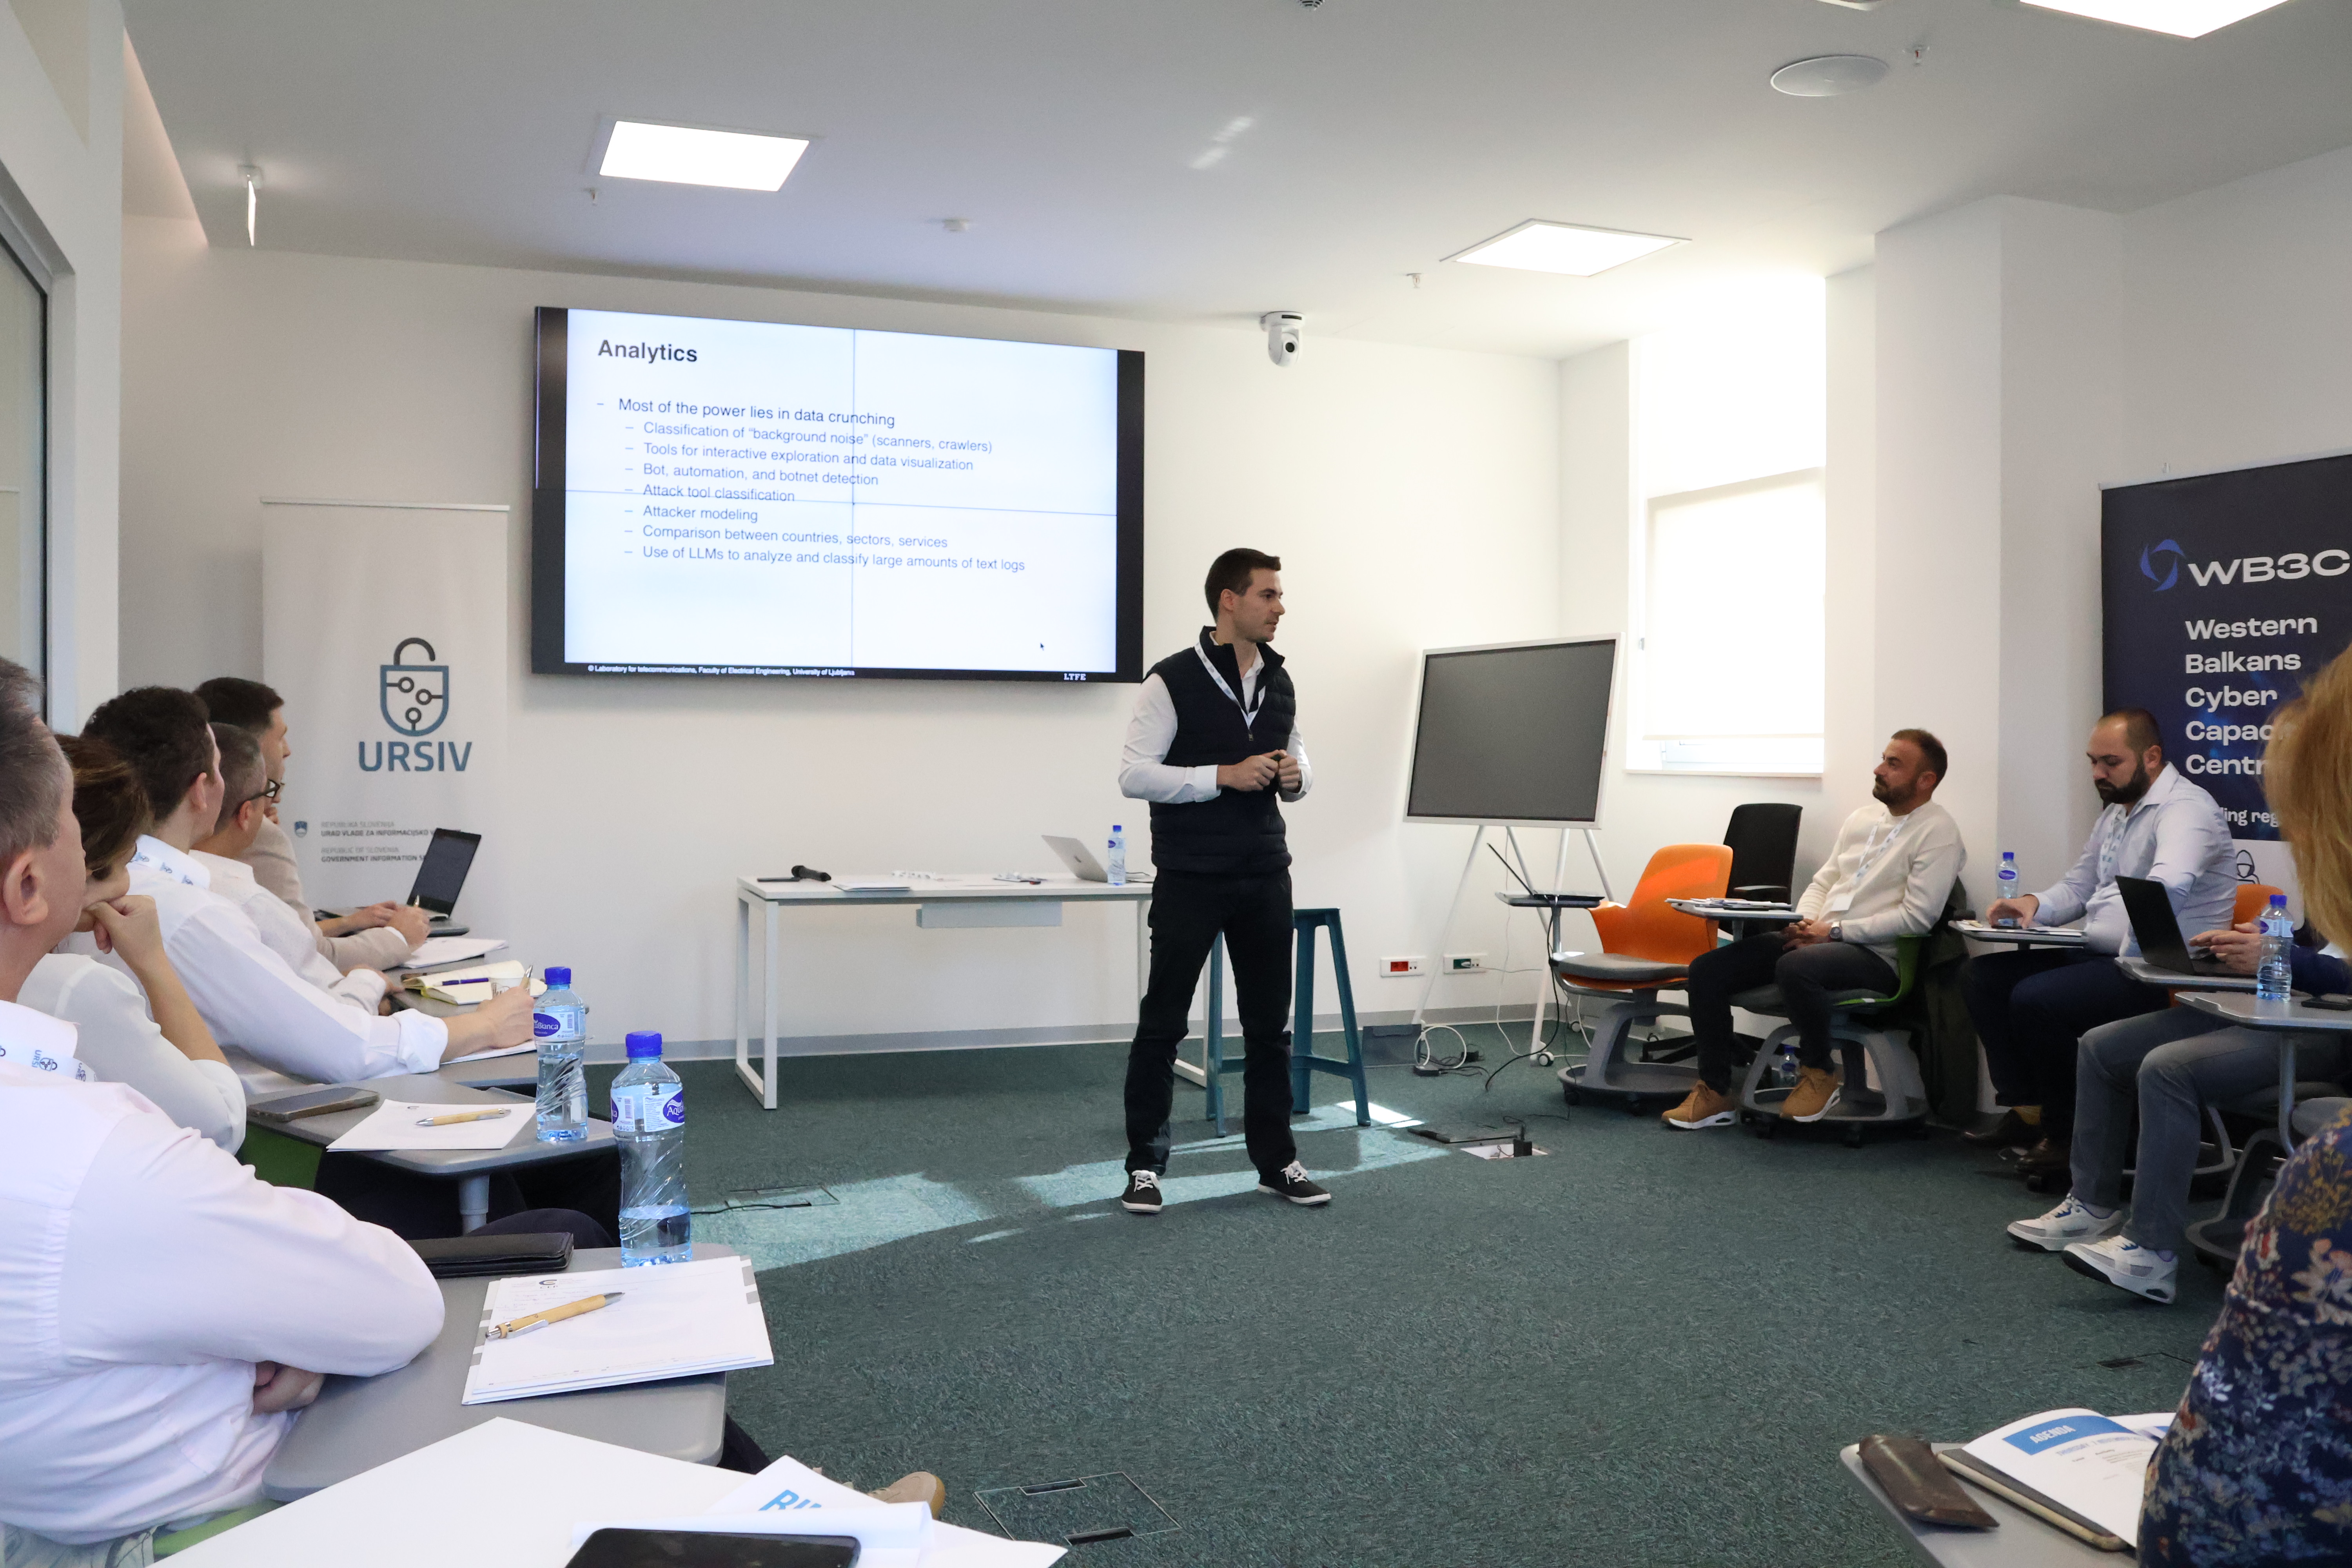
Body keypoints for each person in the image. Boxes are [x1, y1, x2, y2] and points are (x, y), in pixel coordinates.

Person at [0, 659, 444, 1564]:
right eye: (72, 822)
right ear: (29, 886)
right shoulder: (82, 1150)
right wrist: (275, 1343)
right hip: (221, 1520)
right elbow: (396, 1303)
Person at [2138, 648, 2352, 1561]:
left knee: (2160, 1061)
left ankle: (2146, 1246)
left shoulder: (2336, 1184)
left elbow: (2210, 1521)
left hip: (2312, 1031)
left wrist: (2285, 959)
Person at [78, 687, 531, 1093]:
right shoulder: (193, 914)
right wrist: (486, 1024)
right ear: (202, 791)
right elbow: (343, 1050)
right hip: (272, 1133)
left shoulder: (83, 896)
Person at [1115, 548, 1326, 1213]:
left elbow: (1301, 761)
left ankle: (1278, 1162)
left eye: (1279, 595)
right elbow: (1134, 775)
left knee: (1269, 1030)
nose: (1280, 607)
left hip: (1265, 875)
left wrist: (1297, 776)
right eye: (1268, 595)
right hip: (1191, 877)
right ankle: (1144, 1166)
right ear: (1229, 601)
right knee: (1163, 1025)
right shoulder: (1170, 680)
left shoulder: (1280, 681)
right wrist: (1221, 777)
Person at [2005, 922, 2349, 1303]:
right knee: (2101, 1048)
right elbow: (2323, 943)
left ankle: (2151, 1252)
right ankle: (2092, 1206)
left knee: (2168, 1069)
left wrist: (2285, 957)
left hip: (2329, 1027)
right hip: (2280, 1001)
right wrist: (2267, 940)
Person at [1960, 708, 2236, 1177]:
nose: (2097, 774)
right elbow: (2081, 885)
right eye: (2093, 762)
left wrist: (2125, 952)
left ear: (2152, 757)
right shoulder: (2116, 814)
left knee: (2037, 999)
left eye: (2111, 762)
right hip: (2103, 955)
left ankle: (2071, 1133)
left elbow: (2168, 887)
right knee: (1982, 977)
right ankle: (2030, 1111)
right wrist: (2033, 904)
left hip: (2161, 969)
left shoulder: (2187, 810)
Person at [1663, 730, 1965, 1129]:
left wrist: (1833, 932)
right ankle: (1716, 1091)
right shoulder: (1861, 820)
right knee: (1707, 969)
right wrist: (1803, 923)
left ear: (1926, 780)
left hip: (1877, 956)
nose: (1879, 769)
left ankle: (1820, 1071)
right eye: (1883, 759)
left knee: (1797, 966)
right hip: (1819, 938)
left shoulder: (1938, 832)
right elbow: (1823, 882)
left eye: (1894, 764)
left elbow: (1917, 917)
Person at [16, 736, 245, 1152]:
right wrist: (155, 964)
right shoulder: (76, 986)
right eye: (125, 863)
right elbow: (219, 1123)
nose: (128, 884)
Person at [193, 676, 424, 973]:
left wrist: (346, 923)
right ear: (250, 747)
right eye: (280, 738)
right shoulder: (258, 834)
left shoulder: (183, 823)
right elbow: (310, 958)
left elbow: (272, 933)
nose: (287, 750)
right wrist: (399, 937)